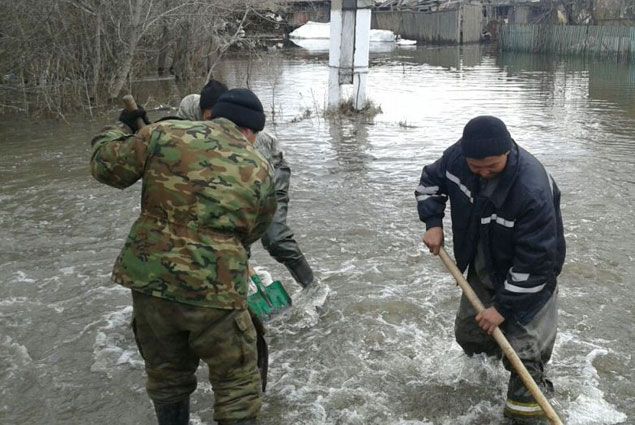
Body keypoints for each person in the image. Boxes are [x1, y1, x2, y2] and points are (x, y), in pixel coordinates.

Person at [90, 88, 277, 425]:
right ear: (250, 130)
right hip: (216, 289)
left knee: (167, 378)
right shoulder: (261, 167)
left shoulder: (163, 133)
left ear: (214, 114)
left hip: (151, 281)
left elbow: (105, 167)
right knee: (236, 387)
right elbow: (255, 230)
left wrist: (122, 128)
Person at [415, 116, 565, 424]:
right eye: (476, 167)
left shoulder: (532, 189)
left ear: (508, 151)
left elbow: (537, 262)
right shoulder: (457, 159)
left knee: (524, 367)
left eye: (492, 167)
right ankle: (497, 364)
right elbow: (429, 184)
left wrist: (502, 308)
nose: (483, 173)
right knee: (470, 337)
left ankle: (534, 391)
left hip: (531, 277)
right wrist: (433, 224)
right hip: (485, 258)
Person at [179, 79, 315, 288]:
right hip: (221, 170)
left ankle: (312, 286)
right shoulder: (190, 107)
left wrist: (241, 252)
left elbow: (243, 212)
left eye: (216, 118)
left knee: (274, 238)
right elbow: (173, 135)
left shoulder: (249, 143)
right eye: (207, 117)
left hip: (270, 169)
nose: (210, 122)